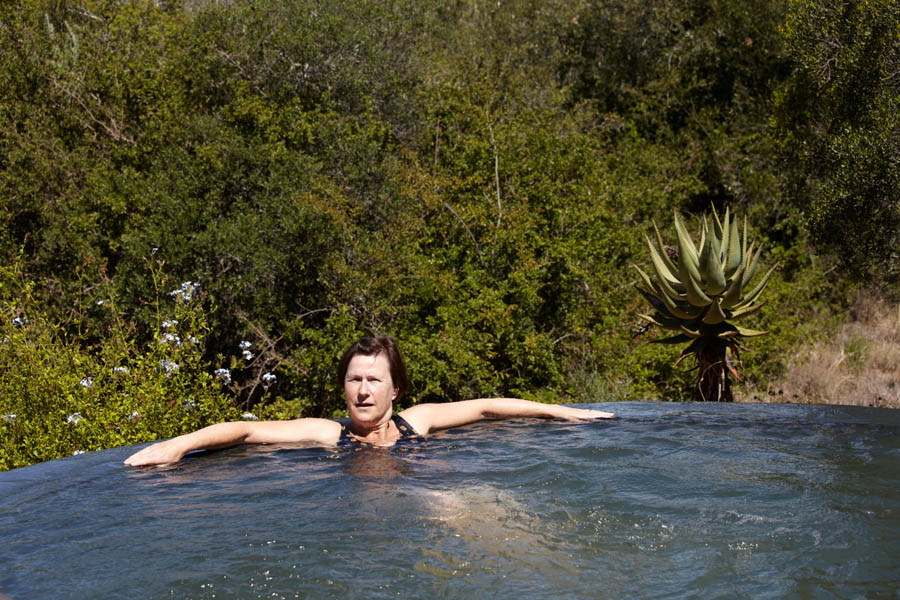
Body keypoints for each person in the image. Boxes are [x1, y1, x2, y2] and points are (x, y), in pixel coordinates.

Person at [124, 335, 614, 466]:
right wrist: (179, 445)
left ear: (394, 389)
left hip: (429, 498)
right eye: (355, 379)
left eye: (374, 381)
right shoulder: (327, 433)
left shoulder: (413, 422)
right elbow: (248, 430)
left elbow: (486, 407)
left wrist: (558, 410)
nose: (362, 390)